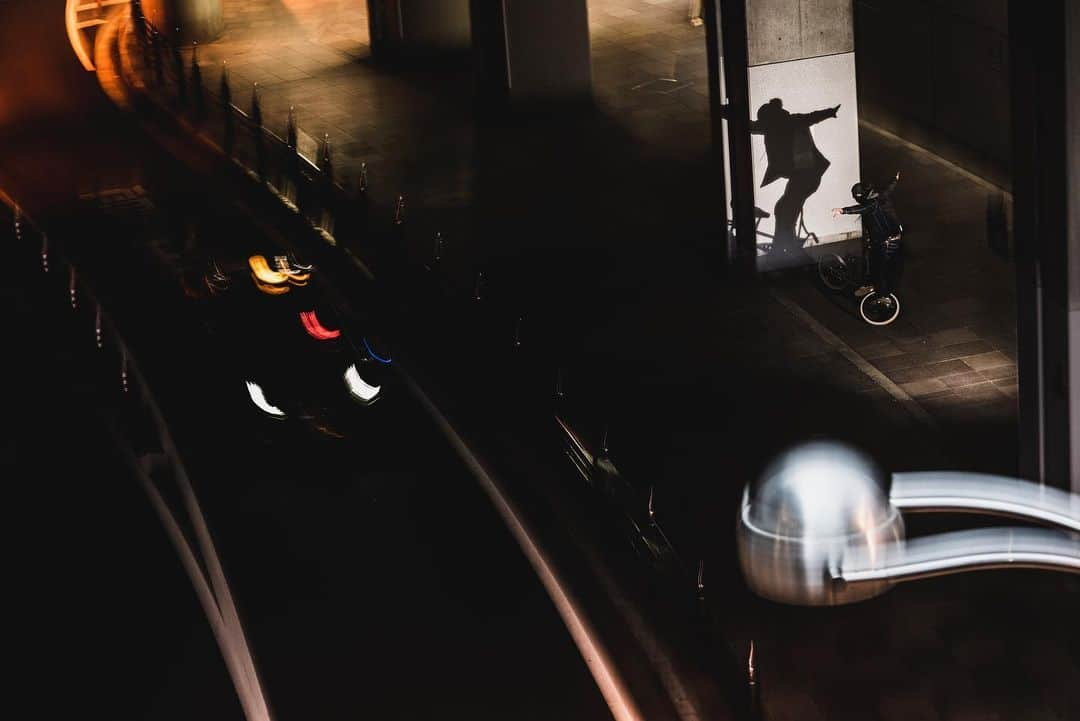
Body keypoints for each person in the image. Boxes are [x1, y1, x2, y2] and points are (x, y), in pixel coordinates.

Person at [832, 172, 903, 297]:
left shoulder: (871, 204)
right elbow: (888, 188)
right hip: (883, 238)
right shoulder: (879, 196)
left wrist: (843, 211)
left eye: (856, 197)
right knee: (870, 260)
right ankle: (871, 284)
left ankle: (883, 296)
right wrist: (895, 179)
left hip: (887, 241)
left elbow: (861, 209)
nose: (856, 199)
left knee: (878, 269)